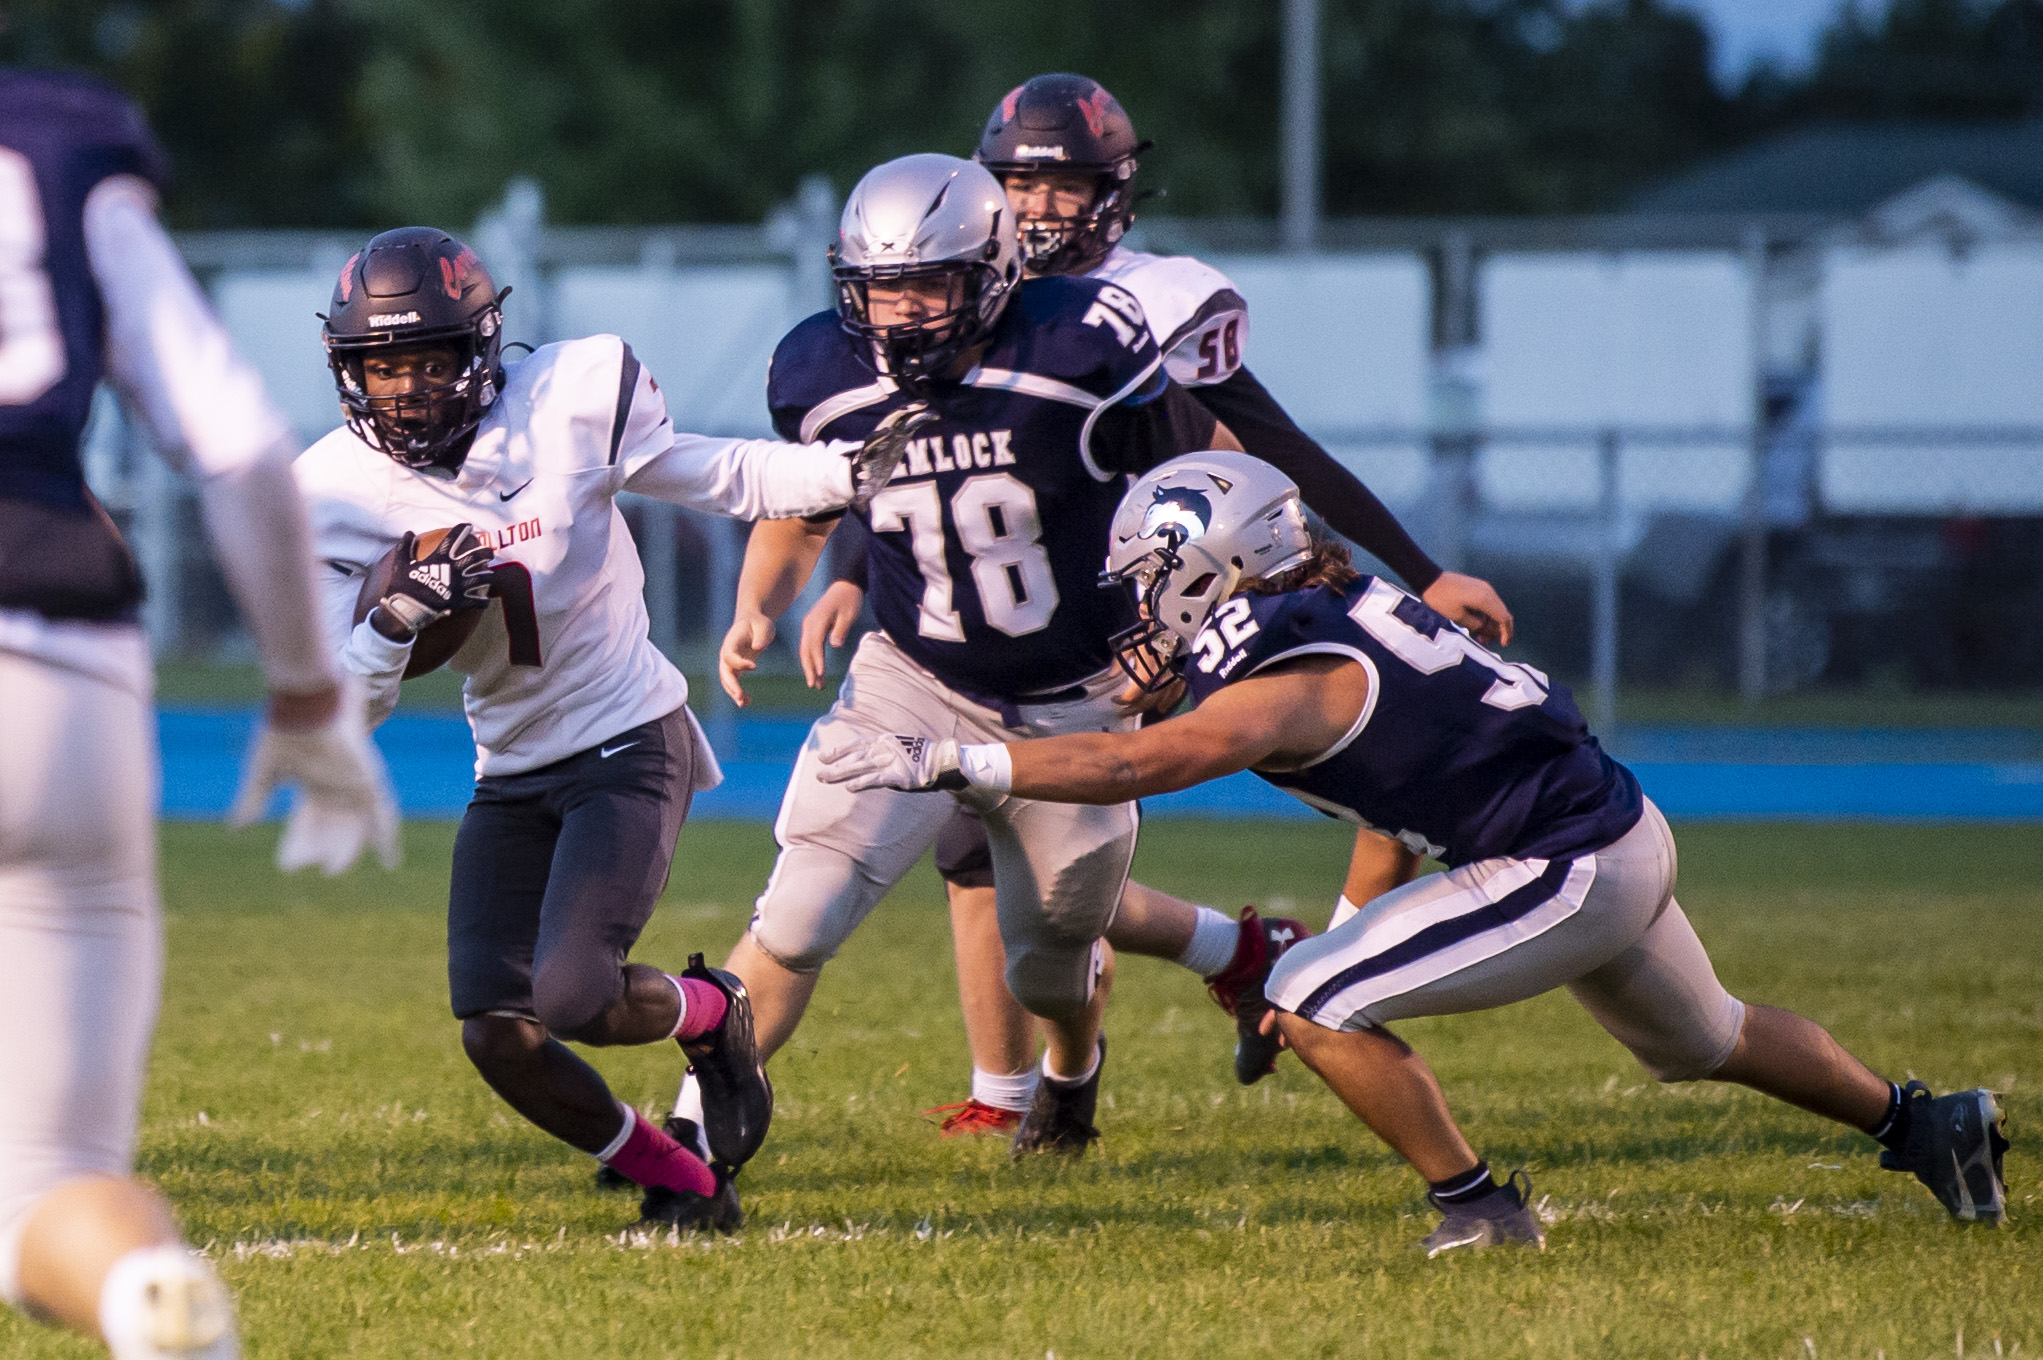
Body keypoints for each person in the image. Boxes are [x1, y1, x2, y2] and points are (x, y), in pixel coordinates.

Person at [820, 449, 2012, 1250]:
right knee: (1710, 1036)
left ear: (1211, 561)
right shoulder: (1343, 606)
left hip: (1561, 863)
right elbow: (1396, 796)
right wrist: (1350, 937)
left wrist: (958, 762)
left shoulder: (1287, 674)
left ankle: (1478, 1205)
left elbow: (1144, 767)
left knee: (1304, 997)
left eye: (1152, 579)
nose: (1141, 606)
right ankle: (1927, 1123)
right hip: (1609, 828)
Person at [789, 72, 1510, 1131]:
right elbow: (923, 458)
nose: (1037, 209)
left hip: (1145, 607)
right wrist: (850, 567)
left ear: (1116, 191)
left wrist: (1412, 567)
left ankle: (1326, 967)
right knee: (999, 856)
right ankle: (1160, 1006)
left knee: (1345, 756)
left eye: (1064, 185)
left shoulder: (1152, 299)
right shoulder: (960, 291)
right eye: (1017, 185)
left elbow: (1272, 443)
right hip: (1008, 618)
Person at [294, 226, 914, 1231]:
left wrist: (840, 477)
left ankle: (715, 1013)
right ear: (347, 369)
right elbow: (345, 704)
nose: (407, 387)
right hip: (511, 766)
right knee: (496, 1032)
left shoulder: (569, 400)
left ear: (482, 349)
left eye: (430, 358)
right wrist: (399, 613)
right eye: (384, 364)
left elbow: (716, 474)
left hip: (628, 736)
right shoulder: (330, 491)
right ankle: (679, 1174)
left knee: (574, 995)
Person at [679, 150, 1259, 1162]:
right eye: (880, 291)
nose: (901, 315)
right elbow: (802, 502)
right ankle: (685, 1144)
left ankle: (1071, 1076)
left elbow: (1218, 478)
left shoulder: (1078, 346)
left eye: (928, 287)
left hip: (1074, 702)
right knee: (803, 906)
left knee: (1049, 965)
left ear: (992, 272)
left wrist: (1177, 624)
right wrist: (756, 603)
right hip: (915, 679)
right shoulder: (821, 371)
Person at [0, 70, 397, 1360]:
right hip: (57, 659)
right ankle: (136, 1296)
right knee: (50, 1170)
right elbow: (231, 447)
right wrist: (303, 687)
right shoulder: (53, 142)